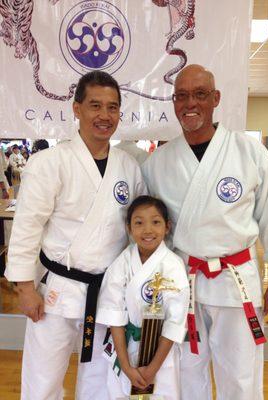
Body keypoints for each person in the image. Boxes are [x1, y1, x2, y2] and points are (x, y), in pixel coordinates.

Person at [142, 64, 268, 400]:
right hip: (183, 281)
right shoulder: (158, 162)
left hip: (236, 280)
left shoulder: (249, 152)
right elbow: (151, 231)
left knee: (240, 374)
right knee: (185, 371)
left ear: (215, 99)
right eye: (182, 96)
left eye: (200, 95)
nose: (190, 104)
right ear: (173, 102)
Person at [5, 71, 146, 400]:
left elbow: (137, 230)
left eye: (112, 108)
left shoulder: (129, 167)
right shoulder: (48, 162)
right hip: (57, 292)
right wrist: (25, 288)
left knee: (100, 380)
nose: (104, 115)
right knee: (42, 379)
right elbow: (27, 228)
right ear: (77, 109)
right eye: (95, 105)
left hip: (108, 292)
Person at [98, 195, 189, 400]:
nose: (148, 230)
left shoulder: (173, 265)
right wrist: (126, 365)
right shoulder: (122, 262)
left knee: (160, 394)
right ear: (129, 228)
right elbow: (114, 315)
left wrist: (152, 368)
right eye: (139, 223)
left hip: (160, 353)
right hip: (125, 346)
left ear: (167, 226)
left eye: (156, 222)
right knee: (119, 393)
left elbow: (175, 323)